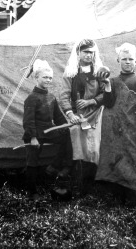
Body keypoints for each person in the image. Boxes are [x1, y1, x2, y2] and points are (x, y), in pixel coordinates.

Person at [96, 43, 136, 203]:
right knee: (116, 160)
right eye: (124, 59)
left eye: (131, 59)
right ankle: (116, 195)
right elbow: (108, 104)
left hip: (134, 132)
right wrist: (107, 86)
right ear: (118, 60)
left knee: (135, 159)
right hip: (116, 132)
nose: (127, 62)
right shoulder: (114, 81)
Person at [58, 39, 106, 191]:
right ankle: (73, 176)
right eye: (85, 52)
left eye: (91, 53)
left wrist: (91, 101)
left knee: (95, 143)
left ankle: (95, 179)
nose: (88, 55)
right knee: (75, 135)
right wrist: (70, 113)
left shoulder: (99, 72)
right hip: (78, 115)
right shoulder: (71, 73)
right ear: (78, 53)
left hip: (97, 114)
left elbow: (107, 94)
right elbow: (64, 96)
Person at [22, 59, 72, 201]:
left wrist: (68, 125)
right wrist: (32, 138)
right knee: (32, 161)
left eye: (50, 78)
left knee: (67, 135)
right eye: (45, 77)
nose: (48, 80)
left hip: (48, 132)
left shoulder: (51, 97)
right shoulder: (31, 98)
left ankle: (55, 166)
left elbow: (59, 118)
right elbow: (28, 121)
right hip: (34, 134)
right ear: (36, 77)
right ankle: (32, 192)